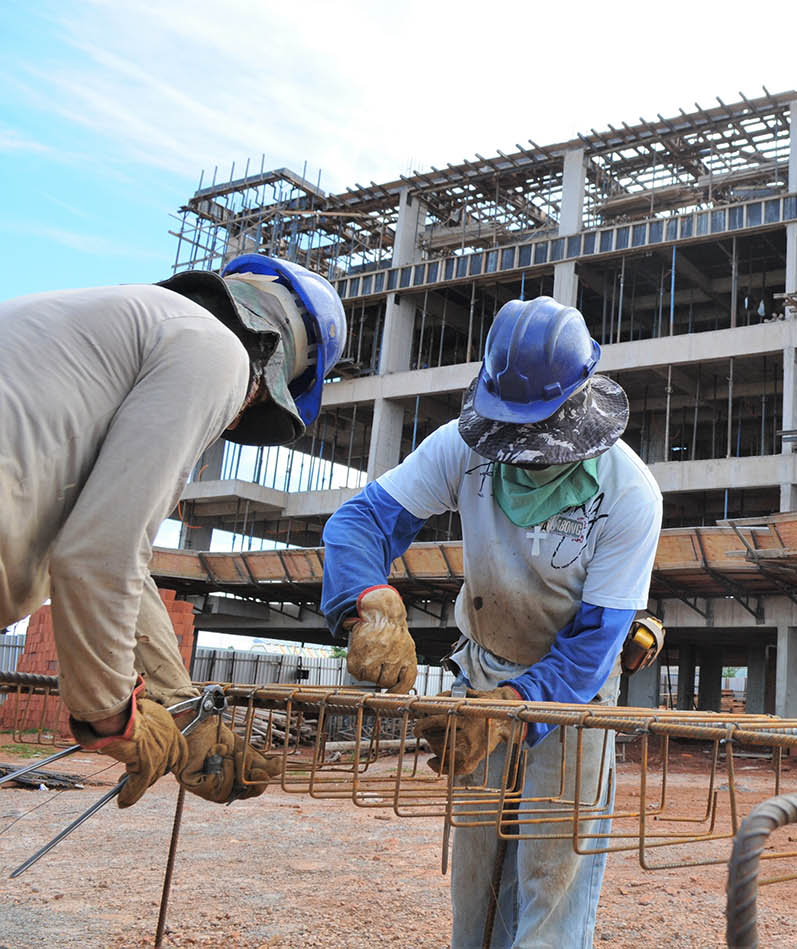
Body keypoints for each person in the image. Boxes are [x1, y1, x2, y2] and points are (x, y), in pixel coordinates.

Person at [320, 295, 662, 948]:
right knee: (476, 884)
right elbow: (362, 522)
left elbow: (593, 647)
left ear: (578, 407)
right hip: (482, 667)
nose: (523, 450)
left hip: (572, 697)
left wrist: (510, 708)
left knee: (552, 875)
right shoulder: (463, 449)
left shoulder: (628, 493)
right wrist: (367, 602)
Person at [0, 253, 346, 806]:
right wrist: (115, 717)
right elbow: (98, 557)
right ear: (270, 363)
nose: (233, 421)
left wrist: (181, 709)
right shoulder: (218, 352)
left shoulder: (104, 332)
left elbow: (106, 554)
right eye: (252, 408)